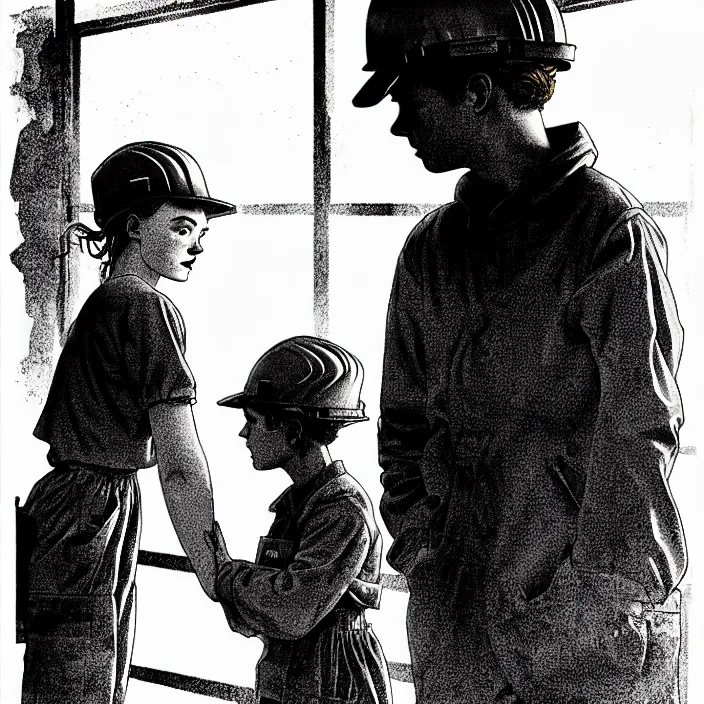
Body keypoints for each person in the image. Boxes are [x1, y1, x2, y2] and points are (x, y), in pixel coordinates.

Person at [353, 1, 687, 702]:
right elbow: (404, 428)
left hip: (587, 633)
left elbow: (640, 434)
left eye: (407, 98)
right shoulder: (429, 250)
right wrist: (426, 551)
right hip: (458, 625)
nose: (399, 123)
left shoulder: (609, 231)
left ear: (475, 92)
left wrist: (592, 597)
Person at [18, 141, 237, 704]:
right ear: (136, 227)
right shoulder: (144, 306)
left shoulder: (104, 300)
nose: (197, 246)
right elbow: (181, 467)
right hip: (92, 511)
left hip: (71, 505)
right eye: (183, 228)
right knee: (83, 684)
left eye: (201, 234)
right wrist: (219, 579)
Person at [207, 336, 393, 704]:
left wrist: (228, 575)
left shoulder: (343, 512)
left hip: (332, 682)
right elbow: (256, 615)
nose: (244, 433)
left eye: (254, 420)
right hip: (291, 677)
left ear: (292, 431)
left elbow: (291, 610)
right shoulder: (297, 506)